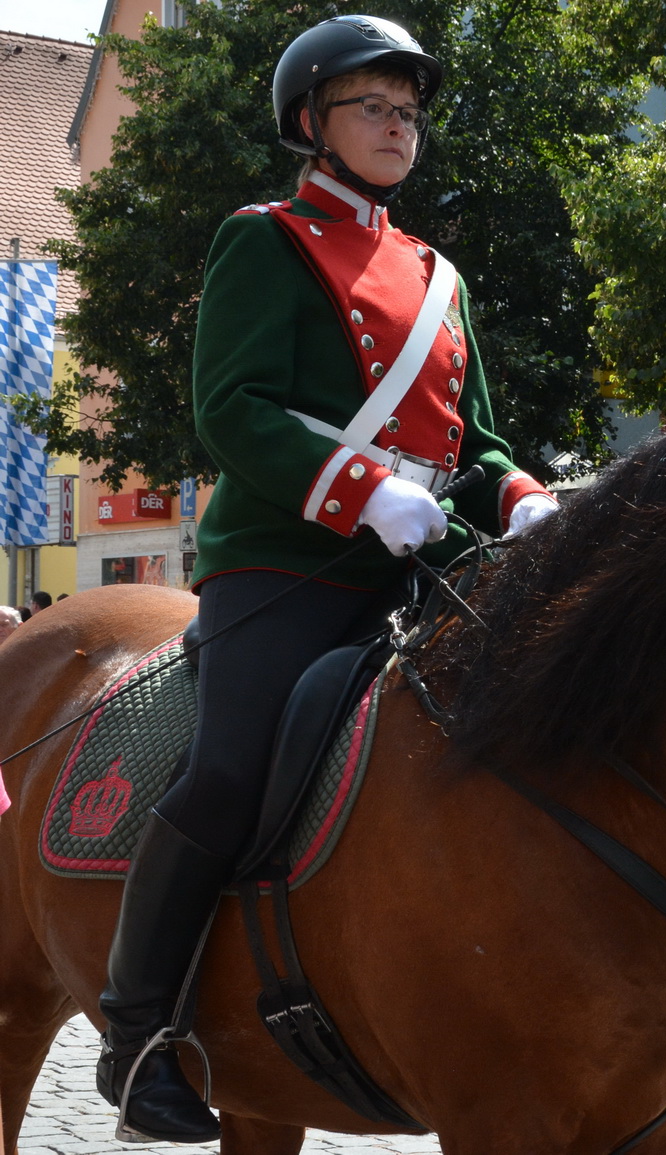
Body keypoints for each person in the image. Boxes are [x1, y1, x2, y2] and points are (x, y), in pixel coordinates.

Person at [93, 15, 558, 1143]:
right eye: (372, 108)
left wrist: (524, 498)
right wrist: (360, 491)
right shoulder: (267, 238)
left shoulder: (438, 275)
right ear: (312, 122)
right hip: (288, 565)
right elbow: (232, 408)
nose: (398, 129)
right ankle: (139, 1032)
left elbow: (475, 440)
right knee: (229, 768)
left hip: (430, 566)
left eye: (408, 112)